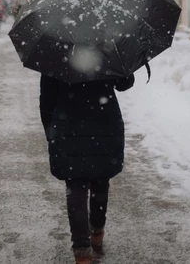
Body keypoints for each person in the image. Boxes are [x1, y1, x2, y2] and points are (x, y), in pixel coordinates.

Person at [40, 73, 135, 264]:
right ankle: (97, 231)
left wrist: (50, 129)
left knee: (75, 187)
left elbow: (47, 97)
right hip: (105, 123)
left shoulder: (56, 51)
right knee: (101, 179)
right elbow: (125, 83)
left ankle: (81, 251)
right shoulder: (108, 46)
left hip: (68, 126)